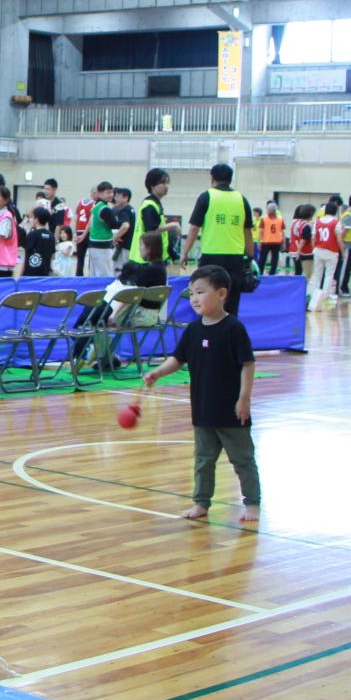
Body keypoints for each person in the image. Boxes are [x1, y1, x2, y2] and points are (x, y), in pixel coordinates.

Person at [142, 265, 260, 526]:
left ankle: (252, 503)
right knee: (203, 460)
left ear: (221, 294)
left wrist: (244, 398)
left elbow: (248, 365)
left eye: (201, 292)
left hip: (231, 409)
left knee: (242, 460)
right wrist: (158, 373)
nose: (194, 298)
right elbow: (178, 359)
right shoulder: (193, 330)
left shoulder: (233, 328)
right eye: (191, 293)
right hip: (204, 409)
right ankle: (201, 502)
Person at [185, 163, 256, 315]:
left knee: (207, 300)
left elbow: (194, 228)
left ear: (212, 178)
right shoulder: (241, 199)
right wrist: (249, 257)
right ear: (231, 179)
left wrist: (185, 252)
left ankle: (209, 335)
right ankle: (229, 336)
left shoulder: (206, 197)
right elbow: (248, 232)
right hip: (235, 259)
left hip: (211, 257)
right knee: (231, 302)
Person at [130, 169, 173, 281]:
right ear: (152, 185)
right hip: (145, 260)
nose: (166, 186)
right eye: (163, 183)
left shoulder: (155, 204)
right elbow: (152, 231)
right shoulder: (149, 206)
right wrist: (173, 225)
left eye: (167, 183)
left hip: (153, 259)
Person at [308, 198, 342, 311]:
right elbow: (339, 239)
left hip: (318, 250)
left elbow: (313, 237)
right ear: (335, 211)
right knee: (329, 275)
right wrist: (343, 251)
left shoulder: (317, 221)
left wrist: (315, 248)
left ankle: (313, 295)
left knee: (317, 275)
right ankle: (324, 297)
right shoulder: (336, 222)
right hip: (331, 251)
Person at [82, 181, 118, 279]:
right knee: (104, 275)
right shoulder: (104, 209)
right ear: (99, 193)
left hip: (94, 244)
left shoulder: (97, 206)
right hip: (102, 247)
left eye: (112, 192)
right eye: (108, 192)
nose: (111, 195)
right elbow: (114, 225)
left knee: (94, 274)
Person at [21, 206, 56, 277]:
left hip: (31, 274)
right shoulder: (51, 236)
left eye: (31, 218)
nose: (30, 220)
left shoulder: (32, 235)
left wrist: (21, 275)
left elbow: (26, 256)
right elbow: (53, 256)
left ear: (36, 220)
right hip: (45, 274)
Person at [257, 202, 285, 275]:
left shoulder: (264, 219)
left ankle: (260, 273)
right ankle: (272, 273)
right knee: (274, 259)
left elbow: (260, 232)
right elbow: (282, 232)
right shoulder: (280, 219)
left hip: (267, 241)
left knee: (263, 259)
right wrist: (283, 242)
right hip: (276, 242)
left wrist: (259, 242)